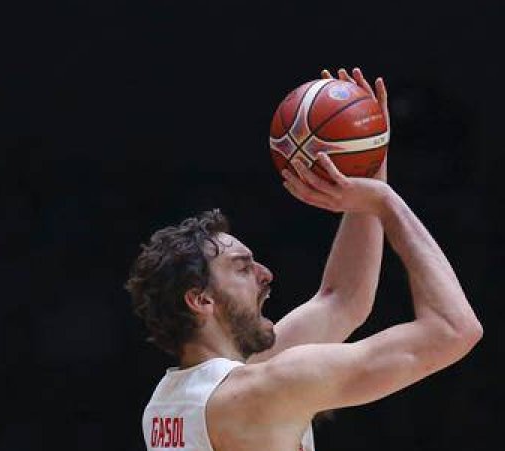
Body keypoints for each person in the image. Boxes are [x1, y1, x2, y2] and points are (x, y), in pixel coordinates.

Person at [125, 68, 482, 450]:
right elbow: (454, 330)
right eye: (242, 267)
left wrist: (369, 165)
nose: (265, 274)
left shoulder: (174, 399)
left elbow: (341, 300)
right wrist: (388, 205)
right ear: (201, 300)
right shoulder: (266, 388)